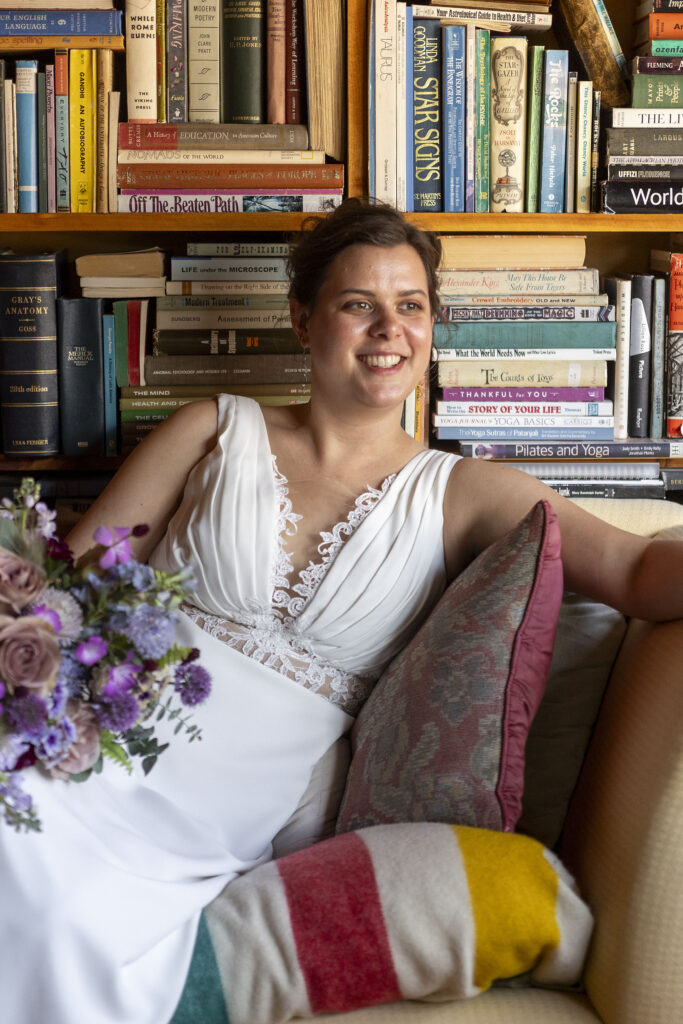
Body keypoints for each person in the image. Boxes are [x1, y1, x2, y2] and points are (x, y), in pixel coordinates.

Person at [2, 198, 683, 1024]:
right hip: (82, 734)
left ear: (433, 327)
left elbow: (644, 570)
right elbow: (72, 588)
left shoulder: (468, 492)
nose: (387, 329)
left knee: (54, 909)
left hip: (216, 809)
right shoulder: (210, 429)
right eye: (359, 304)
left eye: (411, 306)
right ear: (303, 318)